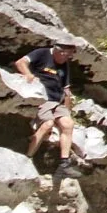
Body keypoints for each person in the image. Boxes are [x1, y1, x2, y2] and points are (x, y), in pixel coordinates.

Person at [15, 40, 82, 177]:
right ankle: (27, 157)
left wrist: (67, 110)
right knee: (48, 124)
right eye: (64, 54)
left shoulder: (65, 65)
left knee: (68, 124)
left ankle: (64, 163)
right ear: (57, 49)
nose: (65, 58)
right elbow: (20, 62)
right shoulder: (42, 53)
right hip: (43, 97)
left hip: (57, 100)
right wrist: (28, 74)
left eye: (68, 55)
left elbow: (66, 89)